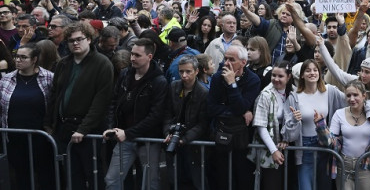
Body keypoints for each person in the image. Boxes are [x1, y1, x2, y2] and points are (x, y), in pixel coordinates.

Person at [44, 21, 113, 190]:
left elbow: (101, 101)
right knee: (72, 178)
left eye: (79, 39)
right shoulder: (63, 63)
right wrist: (49, 124)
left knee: (94, 177)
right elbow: (55, 95)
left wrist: (83, 129)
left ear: (89, 39)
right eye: (71, 40)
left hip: (89, 133)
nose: (75, 43)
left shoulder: (102, 63)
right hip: (63, 128)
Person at [283, 59, 368, 190]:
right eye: (308, 70)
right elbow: (287, 132)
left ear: (320, 73)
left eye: (315, 70)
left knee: (324, 186)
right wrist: (294, 120)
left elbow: (352, 101)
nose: (312, 73)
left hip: (325, 145)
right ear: (301, 75)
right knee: (305, 186)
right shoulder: (294, 97)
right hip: (304, 147)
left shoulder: (330, 91)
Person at [103, 38, 168, 190]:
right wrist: (112, 127)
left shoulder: (159, 81)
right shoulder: (125, 74)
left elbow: (155, 115)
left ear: (149, 57)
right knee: (112, 180)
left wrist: (128, 132)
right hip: (123, 138)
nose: (132, 58)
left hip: (147, 141)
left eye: (137, 55)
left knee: (150, 183)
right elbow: (114, 102)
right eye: (132, 54)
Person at [315, 79, 370, 190]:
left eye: (355, 95)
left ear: (364, 95)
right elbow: (329, 142)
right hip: (343, 164)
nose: (352, 99)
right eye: (348, 95)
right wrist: (321, 126)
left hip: (365, 165)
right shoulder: (339, 114)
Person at [0, 43, 55, 190]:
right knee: (21, 176)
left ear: (34, 59)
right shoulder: (6, 80)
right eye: (17, 56)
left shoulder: (49, 78)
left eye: (23, 57)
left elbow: (55, 105)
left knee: (45, 176)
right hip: (14, 138)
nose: (18, 60)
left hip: (42, 138)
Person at [207, 43, 260, 190]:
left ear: (243, 62)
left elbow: (241, 106)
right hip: (221, 135)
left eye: (232, 59)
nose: (226, 63)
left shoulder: (253, 79)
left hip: (243, 139)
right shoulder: (218, 77)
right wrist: (239, 112)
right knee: (222, 179)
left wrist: (232, 84)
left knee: (242, 178)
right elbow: (211, 108)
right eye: (225, 59)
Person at [162, 55, 209, 190]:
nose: (184, 75)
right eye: (181, 71)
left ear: (196, 71)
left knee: (196, 179)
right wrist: (168, 133)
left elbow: (203, 123)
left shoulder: (203, 93)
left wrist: (186, 138)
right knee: (174, 179)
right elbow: (167, 114)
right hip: (173, 139)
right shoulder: (174, 86)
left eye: (188, 71)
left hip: (193, 144)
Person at [250, 62, 295, 190]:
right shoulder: (265, 95)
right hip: (269, 151)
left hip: (288, 148)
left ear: (289, 77)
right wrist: (273, 150)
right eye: (273, 75)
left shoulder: (293, 93)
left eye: (280, 76)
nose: (276, 79)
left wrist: (287, 138)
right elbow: (260, 126)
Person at [319, 37, 370, 112]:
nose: (363, 75)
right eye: (362, 71)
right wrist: (322, 46)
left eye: (367, 72)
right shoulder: (355, 81)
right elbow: (336, 70)